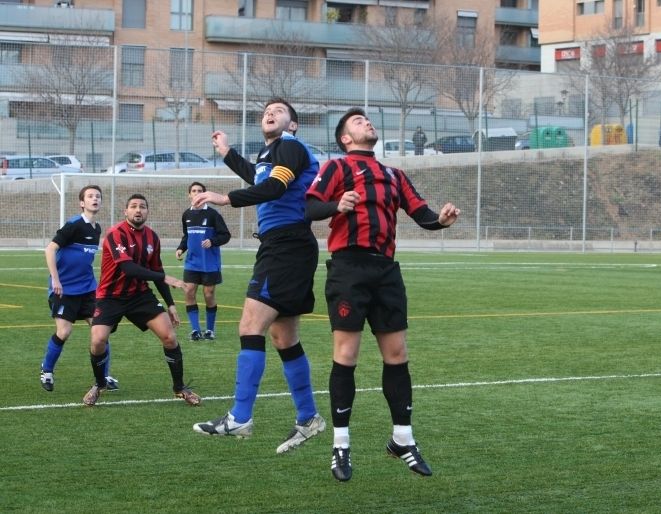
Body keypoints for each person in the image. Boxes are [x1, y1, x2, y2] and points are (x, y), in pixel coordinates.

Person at [305, 107, 460, 482]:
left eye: (368, 120)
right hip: (348, 269)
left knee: (397, 354)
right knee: (346, 354)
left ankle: (402, 438)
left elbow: (420, 212)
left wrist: (440, 220)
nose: (367, 123)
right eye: (358, 122)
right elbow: (309, 207)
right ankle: (341, 444)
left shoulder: (394, 175)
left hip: (386, 270)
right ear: (345, 138)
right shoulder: (336, 168)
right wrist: (335, 205)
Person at [191, 98, 326, 454]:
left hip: (286, 247)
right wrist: (227, 153)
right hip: (287, 246)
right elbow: (260, 177)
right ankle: (309, 418)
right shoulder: (274, 156)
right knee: (284, 338)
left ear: (293, 125)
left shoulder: (291, 147)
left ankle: (240, 417)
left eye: (279, 111)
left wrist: (225, 198)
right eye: (267, 110)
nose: (270, 112)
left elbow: (275, 189)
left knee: (251, 326)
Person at [83, 194, 200, 407]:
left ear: (147, 212)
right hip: (111, 296)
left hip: (140, 296)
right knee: (98, 340)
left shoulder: (152, 237)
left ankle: (180, 388)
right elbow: (129, 268)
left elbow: (157, 270)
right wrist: (163, 277)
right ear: (125, 211)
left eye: (143, 207)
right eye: (134, 207)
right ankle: (99, 383)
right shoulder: (114, 234)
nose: (138, 210)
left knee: (169, 337)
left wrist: (171, 304)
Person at [40, 185, 118, 392]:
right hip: (64, 290)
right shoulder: (74, 224)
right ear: (82, 202)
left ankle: (104, 376)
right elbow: (50, 248)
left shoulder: (96, 228)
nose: (95, 199)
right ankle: (46, 370)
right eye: (90, 196)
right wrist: (55, 280)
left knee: (101, 333)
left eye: (98, 196)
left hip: (88, 289)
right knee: (64, 331)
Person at [176, 181, 231, 341]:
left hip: (210, 263)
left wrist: (212, 241)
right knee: (189, 291)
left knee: (208, 295)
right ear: (189, 194)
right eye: (194, 191)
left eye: (200, 191)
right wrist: (181, 248)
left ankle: (210, 330)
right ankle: (195, 330)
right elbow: (186, 236)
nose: (197, 193)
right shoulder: (186, 214)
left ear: (205, 195)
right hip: (192, 262)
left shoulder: (213, 215)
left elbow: (225, 235)